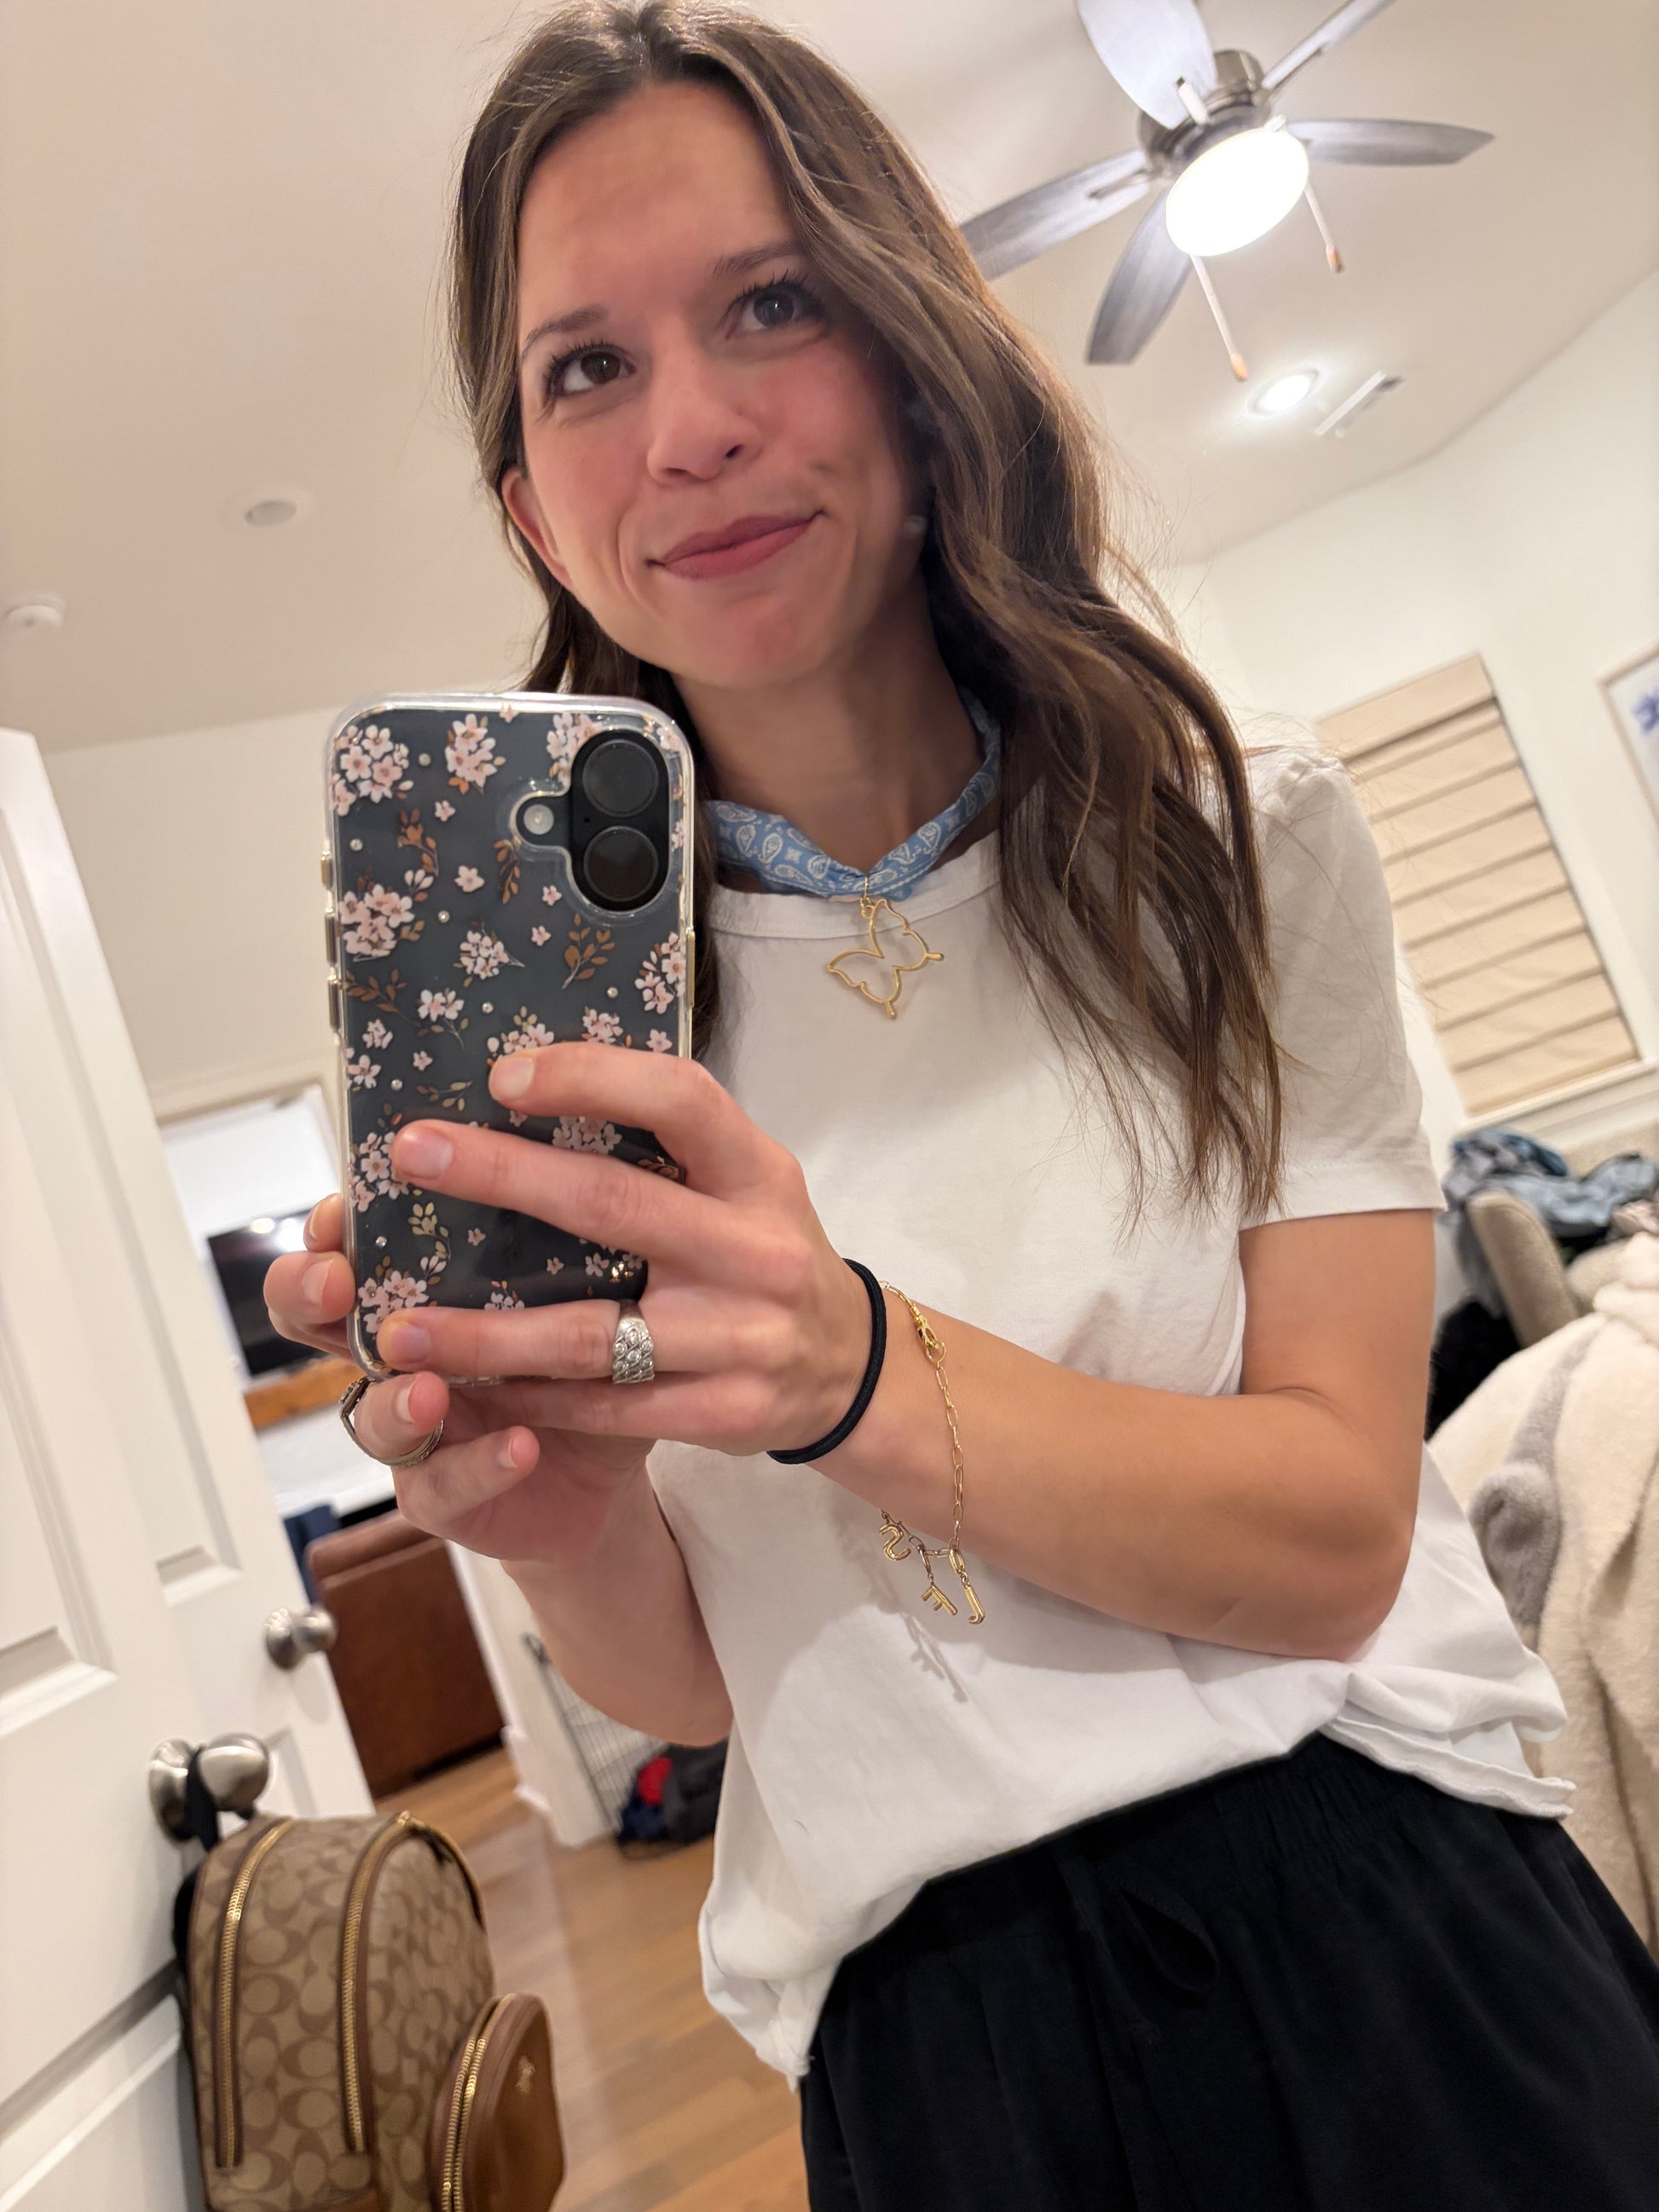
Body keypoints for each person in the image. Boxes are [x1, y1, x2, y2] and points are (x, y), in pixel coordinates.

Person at [267, 5, 1659, 2203]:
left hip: (1391, 1925)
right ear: (533, 506)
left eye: (772, 304)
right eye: (587, 366)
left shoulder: (1237, 836)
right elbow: (704, 1695)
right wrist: (556, 1524)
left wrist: (848, 1365)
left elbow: (1332, 1534)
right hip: (936, 2063)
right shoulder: (567, 1044)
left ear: (918, 357)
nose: (693, 431)